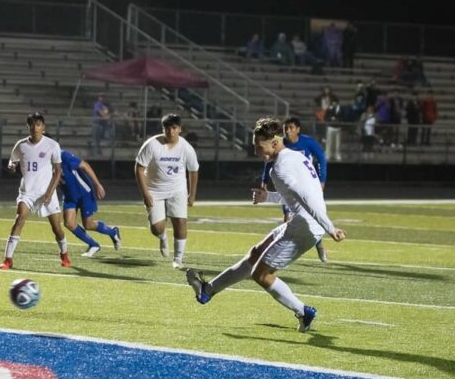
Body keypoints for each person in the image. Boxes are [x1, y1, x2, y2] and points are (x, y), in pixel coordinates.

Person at [186, 116, 347, 332]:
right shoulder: (296, 157)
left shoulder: (279, 167)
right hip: (303, 220)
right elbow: (297, 196)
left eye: (258, 146)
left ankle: (303, 311)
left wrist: (330, 227)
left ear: (273, 143)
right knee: (254, 254)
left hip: (307, 225)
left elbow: (305, 198)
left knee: (261, 275)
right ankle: (208, 290)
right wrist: (267, 197)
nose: (255, 151)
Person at [0, 112, 70, 270]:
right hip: (27, 192)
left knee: (57, 228)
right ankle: (8, 259)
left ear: (43, 127)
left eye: (38, 124)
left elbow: (58, 171)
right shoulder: (21, 145)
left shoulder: (52, 145)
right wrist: (11, 167)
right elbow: (13, 163)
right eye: (32, 124)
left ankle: (64, 254)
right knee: (19, 220)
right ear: (28, 126)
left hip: (47, 192)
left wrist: (50, 193)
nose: (35, 127)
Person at [135, 113, 199, 269]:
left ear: (179, 129)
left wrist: (192, 194)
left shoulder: (186, 148)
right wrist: (145, 194)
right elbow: (139, 168)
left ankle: (178, 259)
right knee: (156, 228)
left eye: (174, 128)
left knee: (181, 222)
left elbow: (193, 171)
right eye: (167, 128)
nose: (170, 131)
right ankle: (162, 237)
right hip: (154, 191)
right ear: (162, 129)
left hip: (177, 190)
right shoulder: (152, 144)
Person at [261, 117, 329, 262]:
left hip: (305, 185)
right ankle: (283, 250)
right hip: (288, 186)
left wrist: (321, 180)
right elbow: (269, 160)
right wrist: (264, 180)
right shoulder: (281, 144)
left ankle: (320, 246)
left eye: (291, 128)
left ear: (298, 129)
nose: (287, 131)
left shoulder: (308, 142)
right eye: (286, 128)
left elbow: (321, 159)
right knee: (287, 218)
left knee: (309, 215)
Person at [59, 149, 122, 257]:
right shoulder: (43, 160)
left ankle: (112, 231)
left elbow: (85, 165)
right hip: (69, 195)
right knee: (69, 223)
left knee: (88, 224)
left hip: (84, 192)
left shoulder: (63, 155)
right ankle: (94, 245)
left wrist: (97, 184)